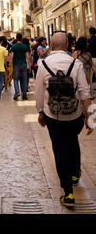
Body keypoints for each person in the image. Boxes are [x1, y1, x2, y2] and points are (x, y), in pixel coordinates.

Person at [35, 32, 93, 209]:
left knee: (59, 149)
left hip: (53, 114)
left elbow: (38, 92)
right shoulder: (75, 64)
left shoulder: (43, 64)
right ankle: (75, 173)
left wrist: (40, 112)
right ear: (67, 45)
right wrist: (90, 116)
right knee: (73, 140)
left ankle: (68, 193)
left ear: (51, 46)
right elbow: (84, 91)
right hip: (74, 113)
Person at [9, 33, 31, 101]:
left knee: (15, 79)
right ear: (21, 38)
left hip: (16, 65)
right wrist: (29, 66)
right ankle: (24, 95)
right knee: (24, 80)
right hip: (24, 64)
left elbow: (11, 56)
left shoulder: (13, 46)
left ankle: (17, 92)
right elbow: (28, 57)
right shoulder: (25, 46)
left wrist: (10, 65)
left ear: (16, 38)